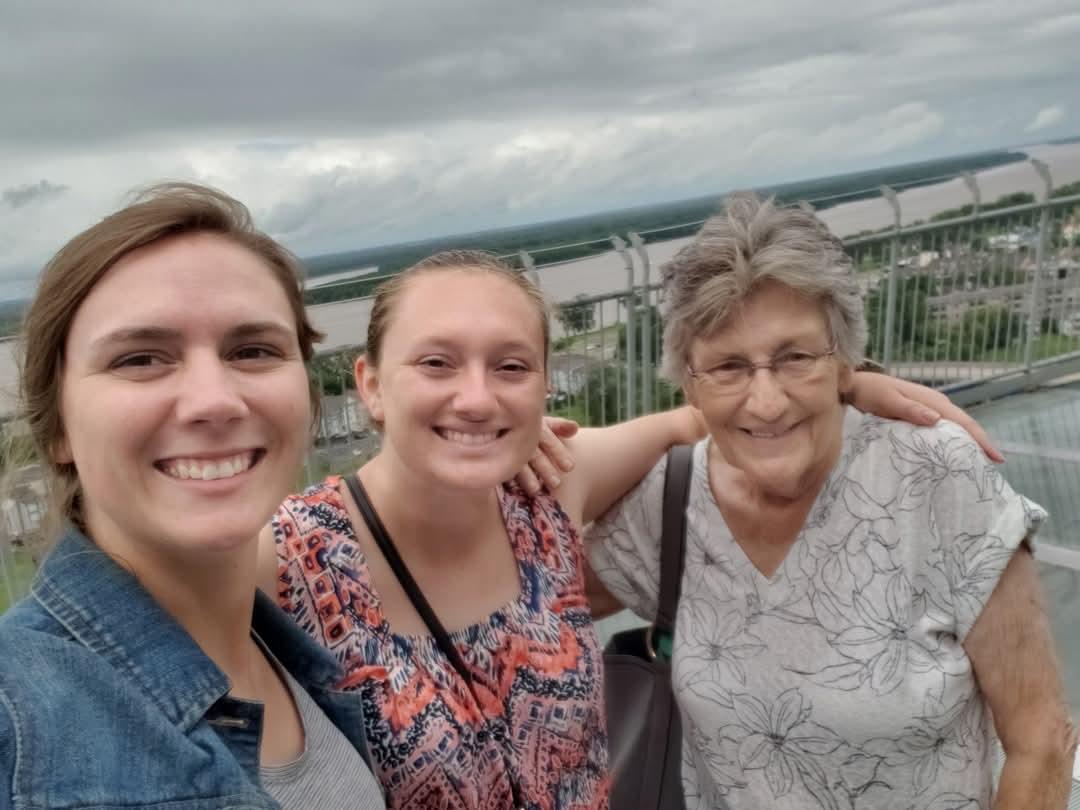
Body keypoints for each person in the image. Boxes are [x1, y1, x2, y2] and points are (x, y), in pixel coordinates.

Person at [263, 247, 999, 809]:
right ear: (369, 384)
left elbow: (700, 413)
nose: (477, 397)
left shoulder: (550, 488)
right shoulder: (289, 560)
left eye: (511, 366)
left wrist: (849, 381)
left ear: (544, 384)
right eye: (436, 363)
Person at [586, 193, 1077, 809]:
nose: (766, 402)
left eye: (795, 358)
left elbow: (1041, 739)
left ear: (844, 359)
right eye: (729, 368)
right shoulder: (668, 504)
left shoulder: (935, 477)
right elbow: (514, 584)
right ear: (691, 384)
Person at [0, 184, 386, 809]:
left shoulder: (297, 662)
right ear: (59, 430)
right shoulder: (19, 721)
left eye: (253, 350)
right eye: (141, 359)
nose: (215, 400)